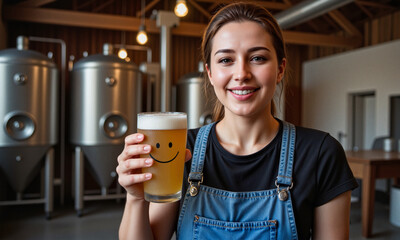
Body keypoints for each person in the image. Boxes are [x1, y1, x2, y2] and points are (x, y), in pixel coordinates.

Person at [116, 2, 358, 239]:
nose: (241, 73)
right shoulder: (181, 150)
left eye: (258, 58)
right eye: (225, 60)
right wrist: (136, 198)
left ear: (281, 69)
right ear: (210, 73)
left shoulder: (320, 153)